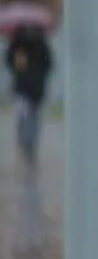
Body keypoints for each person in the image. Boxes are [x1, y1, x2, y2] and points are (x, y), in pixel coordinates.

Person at [5, 24, 52, 163]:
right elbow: (49, 64)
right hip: (35, 89)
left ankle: (25, 142)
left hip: (23, 88)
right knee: (32, 118)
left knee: (24, 117)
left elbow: (8, 62)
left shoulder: (17, 44)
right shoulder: (41, 43)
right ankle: (30, 144)